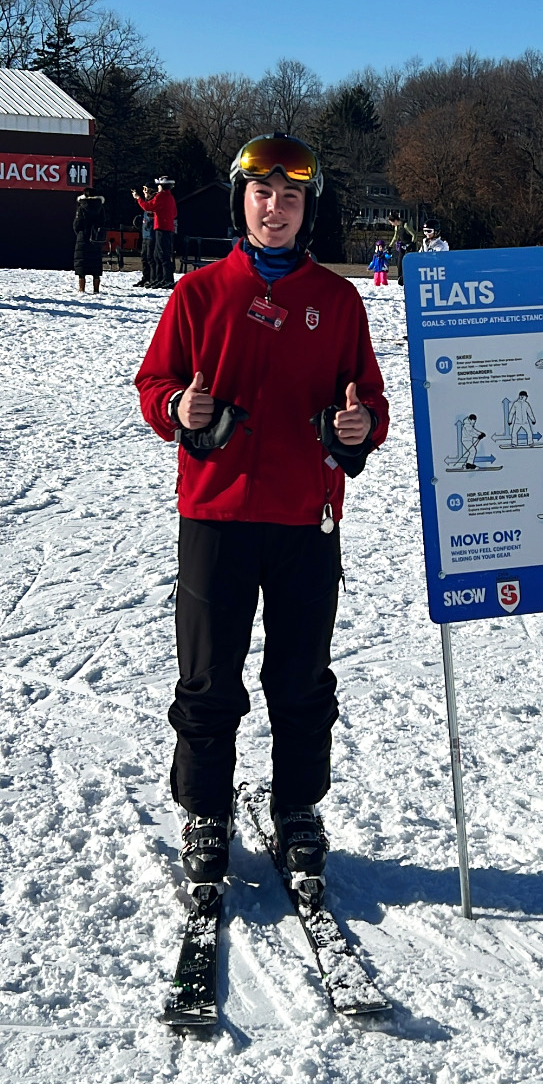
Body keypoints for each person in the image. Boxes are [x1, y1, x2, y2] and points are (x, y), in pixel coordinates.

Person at [134, 132, 389, 895]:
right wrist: (179, 405)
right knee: (210, 678)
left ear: (308, 208)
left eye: (290, 198)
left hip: (304, 519)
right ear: (242, 198)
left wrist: (360, 427)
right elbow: (153, 384)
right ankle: (206, 812)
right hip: (216, 515)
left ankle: (297, 808)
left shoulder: (337, 301)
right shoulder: (199, 292)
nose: (274, 209)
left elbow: (368, 399)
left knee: (301, 678)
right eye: (261, 194)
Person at [135, 177, 177, 288]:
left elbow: (148, 206)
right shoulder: (170, 197)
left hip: (162, 227)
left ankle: (167, 279)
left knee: (162, 254)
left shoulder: (161, 196)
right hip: (166, 227)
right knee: (158, 254)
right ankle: (160, 278)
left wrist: (139, 198)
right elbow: (174, 213)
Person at [73, 191, 106, 295]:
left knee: (82, 264)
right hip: (96, 238)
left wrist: (79, 233)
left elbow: (77, 224)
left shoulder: (82, 206)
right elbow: (103, 221)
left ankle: (82, 289)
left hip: (83, 237)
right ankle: (96, 289)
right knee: (96, 264)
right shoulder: (100, 206)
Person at [134, 183, 156, 286]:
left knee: (150, 257)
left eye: (146, 191)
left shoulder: (153, 202)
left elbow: (147, 208)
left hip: (152, 234)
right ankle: (145, 277)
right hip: (146, 234)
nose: (144, 193)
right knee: (144, 257)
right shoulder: (147, 202)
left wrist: (138, 198)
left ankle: (152, 278)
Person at [389, 215, 413, 285]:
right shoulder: (397, 227)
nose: (392, 224)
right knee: (400, 262)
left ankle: (409, 278)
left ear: (395, 221)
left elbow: (414, 235)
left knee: (407, 262)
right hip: (402, 246)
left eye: (392, 223)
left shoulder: (405, 226)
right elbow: (395, 237)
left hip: (409, 246)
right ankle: (400, 278)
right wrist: (390, 246)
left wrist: (411, 243)